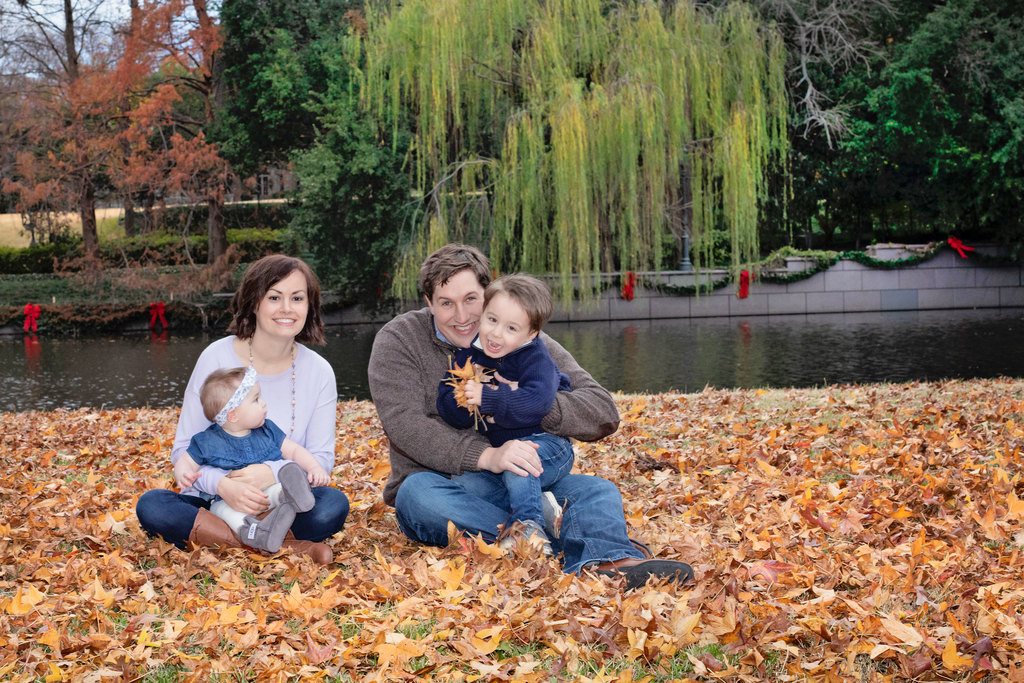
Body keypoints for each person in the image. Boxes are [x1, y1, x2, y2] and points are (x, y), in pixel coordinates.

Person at [368, 243, 694, 589]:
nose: (461, 316)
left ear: (488, 295)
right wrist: (490, 456)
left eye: (471, 300)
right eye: (446, 303)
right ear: (429, 302)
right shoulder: (399, 340)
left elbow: (602, 410)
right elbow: (406, 426)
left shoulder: (519, 336)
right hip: (448, 485)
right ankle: (564, 548)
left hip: (526, 479)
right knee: (418, 496)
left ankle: (614, 561)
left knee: (596, 490)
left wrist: (525, 401)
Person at [136, 255, 348, 564]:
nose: (287, 308)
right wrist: (225, 485)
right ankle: (280, 545)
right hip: (216, 500)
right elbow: (184, 451)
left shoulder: (319, 372)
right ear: (254, 303)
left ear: (309, 306)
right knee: (153, 506)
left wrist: (270, 473)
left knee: (332, 506)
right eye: (274, 297)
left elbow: (322, 461)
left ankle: (231, 537)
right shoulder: (216, 357)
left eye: (297, 298)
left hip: (281, 498)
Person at [436, 274, 574, 556]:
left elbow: (538, 402)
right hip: (499, 453)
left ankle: (529, 529)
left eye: (511, 328)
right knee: (463, 483)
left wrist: (489, 397)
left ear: (531, 334)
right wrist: (463, 404)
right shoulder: (472, 354)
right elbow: (446, 400)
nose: (496, 334)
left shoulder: (537, 359)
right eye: (492, 320)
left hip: (548, 446)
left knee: (518, 459)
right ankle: (542, 507)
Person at [186, 366, 330, 553]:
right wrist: (184, 474)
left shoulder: (267, 430)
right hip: (228, 502)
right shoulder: (206, 441)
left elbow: (293, 450)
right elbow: (186, 463)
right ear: (233, 415)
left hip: (267, 496)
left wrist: (314, 468)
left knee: (327, 501)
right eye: (256, 400)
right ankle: (258, 535)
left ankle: (292, 497)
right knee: (221, 512)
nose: (264, 404)